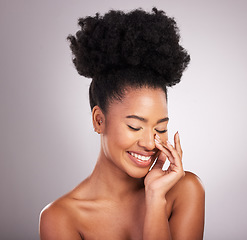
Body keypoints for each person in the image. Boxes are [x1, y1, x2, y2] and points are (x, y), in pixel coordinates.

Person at [39, 7, 205, 240]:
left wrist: (156, 199)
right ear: (99, 120)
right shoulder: (61, 217)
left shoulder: (185, 190)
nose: (150, 142)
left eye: (160, 129)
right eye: (135, 126)